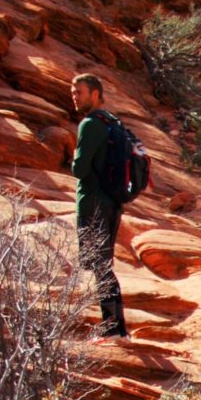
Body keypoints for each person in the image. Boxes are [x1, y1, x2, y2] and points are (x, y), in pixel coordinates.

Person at [68, 73, 132, 338]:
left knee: (99, 264)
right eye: (73, 92)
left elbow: (80, 168)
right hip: (112, 202)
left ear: (95, 94)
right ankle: (118, 328)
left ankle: (111, 329)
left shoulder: (90, 124)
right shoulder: (112, 122)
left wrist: (74, 158)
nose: (74, 96)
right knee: (103, 264)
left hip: (93, 201)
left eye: (79, 92)